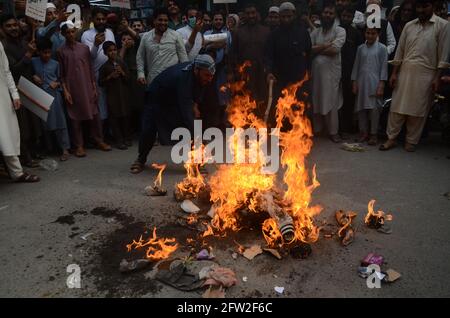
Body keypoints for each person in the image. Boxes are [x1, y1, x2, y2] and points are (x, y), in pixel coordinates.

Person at [380, 0, 449, 152]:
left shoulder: (443, 26)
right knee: (397, 107)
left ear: (433, 6)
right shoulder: (409, 25)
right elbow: (400, 50)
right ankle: (391, 139)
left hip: (426, 73)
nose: (421, 10)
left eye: (425, 6)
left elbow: (443, 56)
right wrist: (394, 73)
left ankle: (411, 141)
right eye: (419, 7)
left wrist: (437, 78)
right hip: (405, 70)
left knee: (418, 110)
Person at [130, 54, 215, 174]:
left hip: (173, 99)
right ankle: (140, 159)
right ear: (196, 70)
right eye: (207, 75)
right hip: (156, 98)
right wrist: (198, 134)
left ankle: (197, 162)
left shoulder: (200, 75)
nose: (209, 79)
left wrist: (195, 105)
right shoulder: (183, 78)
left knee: (192, 128)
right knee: (148, 130)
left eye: (211, 76)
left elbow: (199, 90)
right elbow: (185, 111)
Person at [58, 21, 111, 157]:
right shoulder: (61, 51)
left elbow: (90, 68)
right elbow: (62, 74)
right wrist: (66, 91)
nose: (70, 34)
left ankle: (99, 140)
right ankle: (79, 146)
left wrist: (94, 86)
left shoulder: (84, 48)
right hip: (72, 88)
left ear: (75, 32)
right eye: (67, 32)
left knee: (95, 115)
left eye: (72, 31)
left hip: (87, 86)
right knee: (75, 118)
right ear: (63, 34)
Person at [1, 14, 42, 167]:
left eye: (15, 25)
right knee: (21, 125)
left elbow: (27, 66)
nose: (13, 28)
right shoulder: (3, 47)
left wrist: (34, 75)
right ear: (2, 29)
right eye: (8, 26)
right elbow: (12, 71)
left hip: (29, 87)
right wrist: (29, 54)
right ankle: (25, 157)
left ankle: (34, 152)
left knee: (33, 123)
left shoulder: (24, 43)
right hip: (16, 91)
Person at [265, 2, 312, 125]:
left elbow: (309, 53)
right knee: (281, 107)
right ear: (280, 16)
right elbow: (269, 56)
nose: (286, 19)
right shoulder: (273, 35)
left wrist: (308, 72)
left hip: (298, 78)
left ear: (294, 15)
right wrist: (269, 72)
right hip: (280, 78)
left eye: (289, 16)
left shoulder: (303, 32)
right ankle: (284, 137)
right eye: (283, 17)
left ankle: (300, 137)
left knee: (299, 107)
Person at [0, 41, 40, 182]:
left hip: (2, 98)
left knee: (5, 137)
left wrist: (15, 94)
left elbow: (6, 71)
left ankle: (17, 173)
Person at [310, 2, 346, 142]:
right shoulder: (316, 32)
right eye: (325, 13)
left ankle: (333, 132)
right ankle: (318, 130)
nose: (327, 15)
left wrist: (317, 49)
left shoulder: (340, 31)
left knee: (331, 101)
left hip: (332, 75)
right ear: (321, 14)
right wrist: (326, 45)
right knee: (316, 99)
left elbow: (335, 50)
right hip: (316, 74)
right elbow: (309, 50)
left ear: (334, 15)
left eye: (330, 13)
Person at [32, 38, 71, 161]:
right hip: (39, 95)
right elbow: (27, 73)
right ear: (38, 52)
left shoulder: (55, 64)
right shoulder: (33, 62)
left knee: (60, 121)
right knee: (44, 123)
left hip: (54, 95)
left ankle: (65, 149)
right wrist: (33, 76)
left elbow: (61, 79)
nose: (47, 55)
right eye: (44, 52)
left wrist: (57, 83)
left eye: (49, 52)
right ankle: (49, 148)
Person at [231, 3, 270, 115]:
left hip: (261, 72)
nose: (251, 16)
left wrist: (268, 70)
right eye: (248, 13)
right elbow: (232, 54)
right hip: (244, 73)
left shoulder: (266, 31)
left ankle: (261, 126)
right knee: (245, 101)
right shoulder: (238, 32)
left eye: (253, 13)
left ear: (257, 14)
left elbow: (269, 53)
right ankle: (247, 127)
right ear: (244, 15)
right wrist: (232, 72)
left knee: (262, 100)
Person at [351, 27, 388, 145]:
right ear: (364, 33)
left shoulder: (382, 48)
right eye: (368, 33)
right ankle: (363, 132)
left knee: (374, 110)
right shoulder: (360, 48)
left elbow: (384, 67)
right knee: (361, 108)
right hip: (361, 82)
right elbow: (356, 65)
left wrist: (381, 84)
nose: (370, 36)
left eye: (373, 33)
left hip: (375, 82)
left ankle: (373, 134)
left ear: (378, 34)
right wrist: (354, 82)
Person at [136, 7, 188, 88]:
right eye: (160, 20)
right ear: (154, 20)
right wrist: (141, 74)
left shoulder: (176, 36)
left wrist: (185, 78)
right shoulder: (146, 37)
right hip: (153, 80)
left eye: (165, 20)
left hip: (172, 80)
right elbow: (140, 57)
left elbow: (183, 58)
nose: (163, 23)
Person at [81, 7, 115, 121]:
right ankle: (103, 132)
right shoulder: (86, 35)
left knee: (113, 101)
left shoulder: (110, 32)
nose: (101, 22)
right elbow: (89, 57)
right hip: (96, 75)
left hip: (112, 72)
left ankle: (113, 131)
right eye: (98, 19)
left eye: (103, 19)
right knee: (101, 103)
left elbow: (114, 52)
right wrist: (96, 44)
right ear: (93, 20)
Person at [99, 41, 131, 150]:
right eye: (110, 51)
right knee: (114, 118)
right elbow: (100, 83)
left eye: (114, 50)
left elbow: (128, 79)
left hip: (124, 95)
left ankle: (127, 138)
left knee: (125, 116)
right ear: (105, 53)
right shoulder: (104, 67)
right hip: (112, 96)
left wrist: (122, 72)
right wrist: (110, 77)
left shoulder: (122, 63)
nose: (113, 52)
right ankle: (119, 140)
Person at [339, 5, 364, 136]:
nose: (346, 18)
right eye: (344, 16)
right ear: (340, 16)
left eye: (349, 16)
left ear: (353, 18)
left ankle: (346, 129)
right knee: (335, 101)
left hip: (350, 73)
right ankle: (335, 128)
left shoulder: (356, 34)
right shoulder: (335, 31)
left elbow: (360, 55)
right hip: (335, 72)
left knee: (348, 102)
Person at [120, 32, 145, 134]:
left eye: (129, 39)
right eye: (124, 39)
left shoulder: (139, 50)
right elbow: (118, 61)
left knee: (142, 106)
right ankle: (128, 133)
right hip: (126, 80)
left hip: (138, 79)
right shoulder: (120, 51)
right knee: (127, 107)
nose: (127, 41)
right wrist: (124, 48)